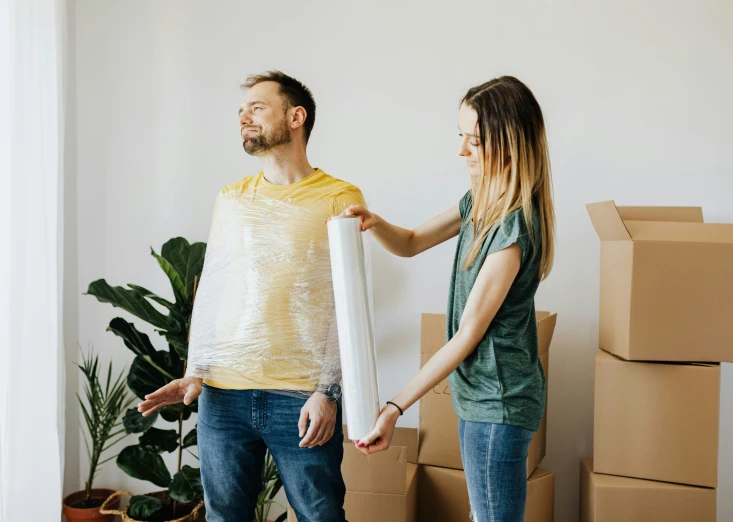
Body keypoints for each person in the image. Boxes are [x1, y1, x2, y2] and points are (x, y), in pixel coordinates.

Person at [138, 71, 362, 522]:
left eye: (257, 107)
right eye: (241, 110)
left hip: (298, 396)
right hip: (223, 395)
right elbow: (215, 287)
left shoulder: (340, 197)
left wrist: (328, 390)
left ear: (295, 117)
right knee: (225, 516)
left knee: (320, 515)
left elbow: (347, 302)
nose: (244, 116)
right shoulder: (232, 198)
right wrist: (195, 369)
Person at [341, 76, 555, 522]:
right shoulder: (480, 201)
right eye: (461, 137)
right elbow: (414, 241)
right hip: (481, 398)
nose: (462, 152)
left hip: (499, 403)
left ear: (511, 144)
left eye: (474, 141)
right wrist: (375, 222)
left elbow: (465, 338)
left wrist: (394, 407)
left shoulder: (511, 230)